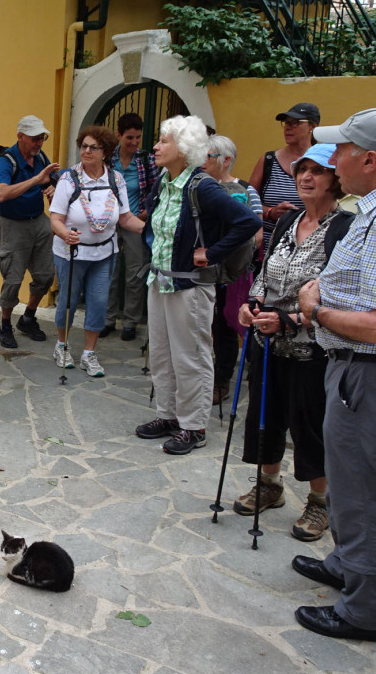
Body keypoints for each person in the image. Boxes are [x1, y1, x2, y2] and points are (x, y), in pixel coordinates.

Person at [293, 108, 376, 643]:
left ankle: (363, 609)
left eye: (339, 150)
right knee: (349, 480)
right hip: (358, 369)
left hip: (370, 372)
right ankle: (346, 562)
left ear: (370, 158)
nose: (331, 161)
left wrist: (317, 311)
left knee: (362, 489)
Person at [231, 144, 352, 543]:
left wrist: (292, 319)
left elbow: (341, 295)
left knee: (309, 424)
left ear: (336, 179)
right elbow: (264, 273)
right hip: (268, 342)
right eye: (302, 169)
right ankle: (270, 484)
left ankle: (320, 501)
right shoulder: (287, 221)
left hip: (312, 346)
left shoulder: (344, 229)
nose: (306, 177)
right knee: (264, 416)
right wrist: (253, 306)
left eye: (317, 171)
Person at [133, 116, 260, 455]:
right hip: (159, 281)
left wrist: (212, 252)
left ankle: (194, 426)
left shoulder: (202, 186)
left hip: (189, 287)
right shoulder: (165, 180)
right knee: (161, 354)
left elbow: (248, 222)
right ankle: (169, 415)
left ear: (185, 149)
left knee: (190, 357)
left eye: (164, 141)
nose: (156, 147)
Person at [48, 126, 143, 377]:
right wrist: (63, 233)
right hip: (71, 252)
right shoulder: (68, 179)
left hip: (105, 253)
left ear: (106, 153)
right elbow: (55, 218)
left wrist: (152, 230)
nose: (87, 151)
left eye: (93, 147)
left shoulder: (115, 180)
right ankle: (62, 345)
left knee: (99, 303)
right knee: (68, 301)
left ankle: (89, 353)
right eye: (84, 146)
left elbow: (126, 218)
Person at [203, 135, 264, 404]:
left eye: (208, 156)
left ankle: (234, 379)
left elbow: (257, 231)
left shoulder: (245, 189)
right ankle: (212, 379)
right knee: (211, 324)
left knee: (231, 323)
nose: (202, 161)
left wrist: (224, 249)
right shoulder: (198, 187)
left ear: (226, 160)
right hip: (203, 268)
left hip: (235, 270)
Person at [0, 115, 61, 348]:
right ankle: (4, 325)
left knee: (44, 275)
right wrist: (35, 181)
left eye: (41, 138)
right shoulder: (5, 161)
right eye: (34, 139)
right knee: (13, 279)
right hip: (11, 224)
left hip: (39, 220)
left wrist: (52, 186)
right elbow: (1, 194)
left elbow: (49, 180)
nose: (39, 143)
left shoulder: (40, 157)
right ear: (20, 136)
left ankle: (28, 318)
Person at [104, 113, 159, 341]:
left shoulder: (147, 161)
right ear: (118, 135)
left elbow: (156, 190)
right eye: (129, 137)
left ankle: (130, 321)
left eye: (138, 137)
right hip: (108, 222)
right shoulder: (108, 160)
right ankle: (107, 318)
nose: (134, 142)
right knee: (109, 271)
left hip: (135, 221)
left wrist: (147, 210)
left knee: (135, 272)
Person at [248, 102, 318, 254]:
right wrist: (270, 212)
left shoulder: (323, 162)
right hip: (266, 246)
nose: (288, 127)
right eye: (286, 123)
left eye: (296, 123)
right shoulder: (268, 160)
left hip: (307, 246)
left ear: (313, 126)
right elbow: (248, 200)